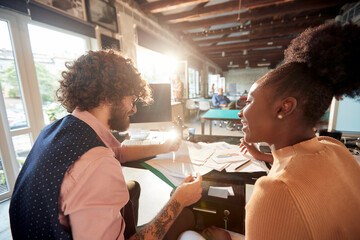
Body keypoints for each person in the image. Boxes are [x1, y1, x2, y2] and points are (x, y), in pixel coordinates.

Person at [180, 22, 360, 239]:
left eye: (250, 101)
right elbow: (303, 168)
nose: (240, 112)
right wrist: (261, 156)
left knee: (189, 235)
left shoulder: (274, 190)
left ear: (284, 108)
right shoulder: (335, 147)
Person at [9, 49, 203, 240]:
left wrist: (164, 147)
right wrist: (178, 200)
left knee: (132, 187)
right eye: (132, 99)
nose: (134, 109)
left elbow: (118, 152)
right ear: (110, 96)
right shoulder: (97, 164)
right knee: (186, 219)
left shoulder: (56, 130)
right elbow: (99, 161)